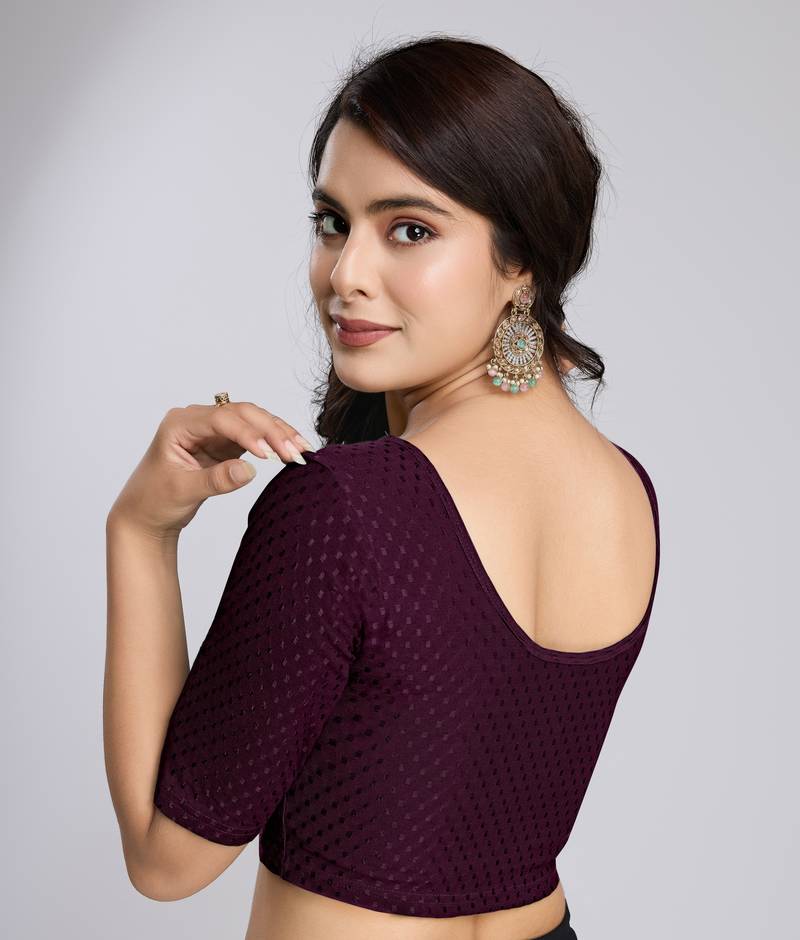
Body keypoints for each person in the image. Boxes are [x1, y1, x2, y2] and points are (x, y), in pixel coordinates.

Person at [104, 35, 660, 940]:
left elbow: (167, 863)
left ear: (520, 257)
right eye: (333, 222)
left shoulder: (342, 510)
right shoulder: (626, 490)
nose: (345, 274)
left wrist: (141, 531)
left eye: (409, 230)